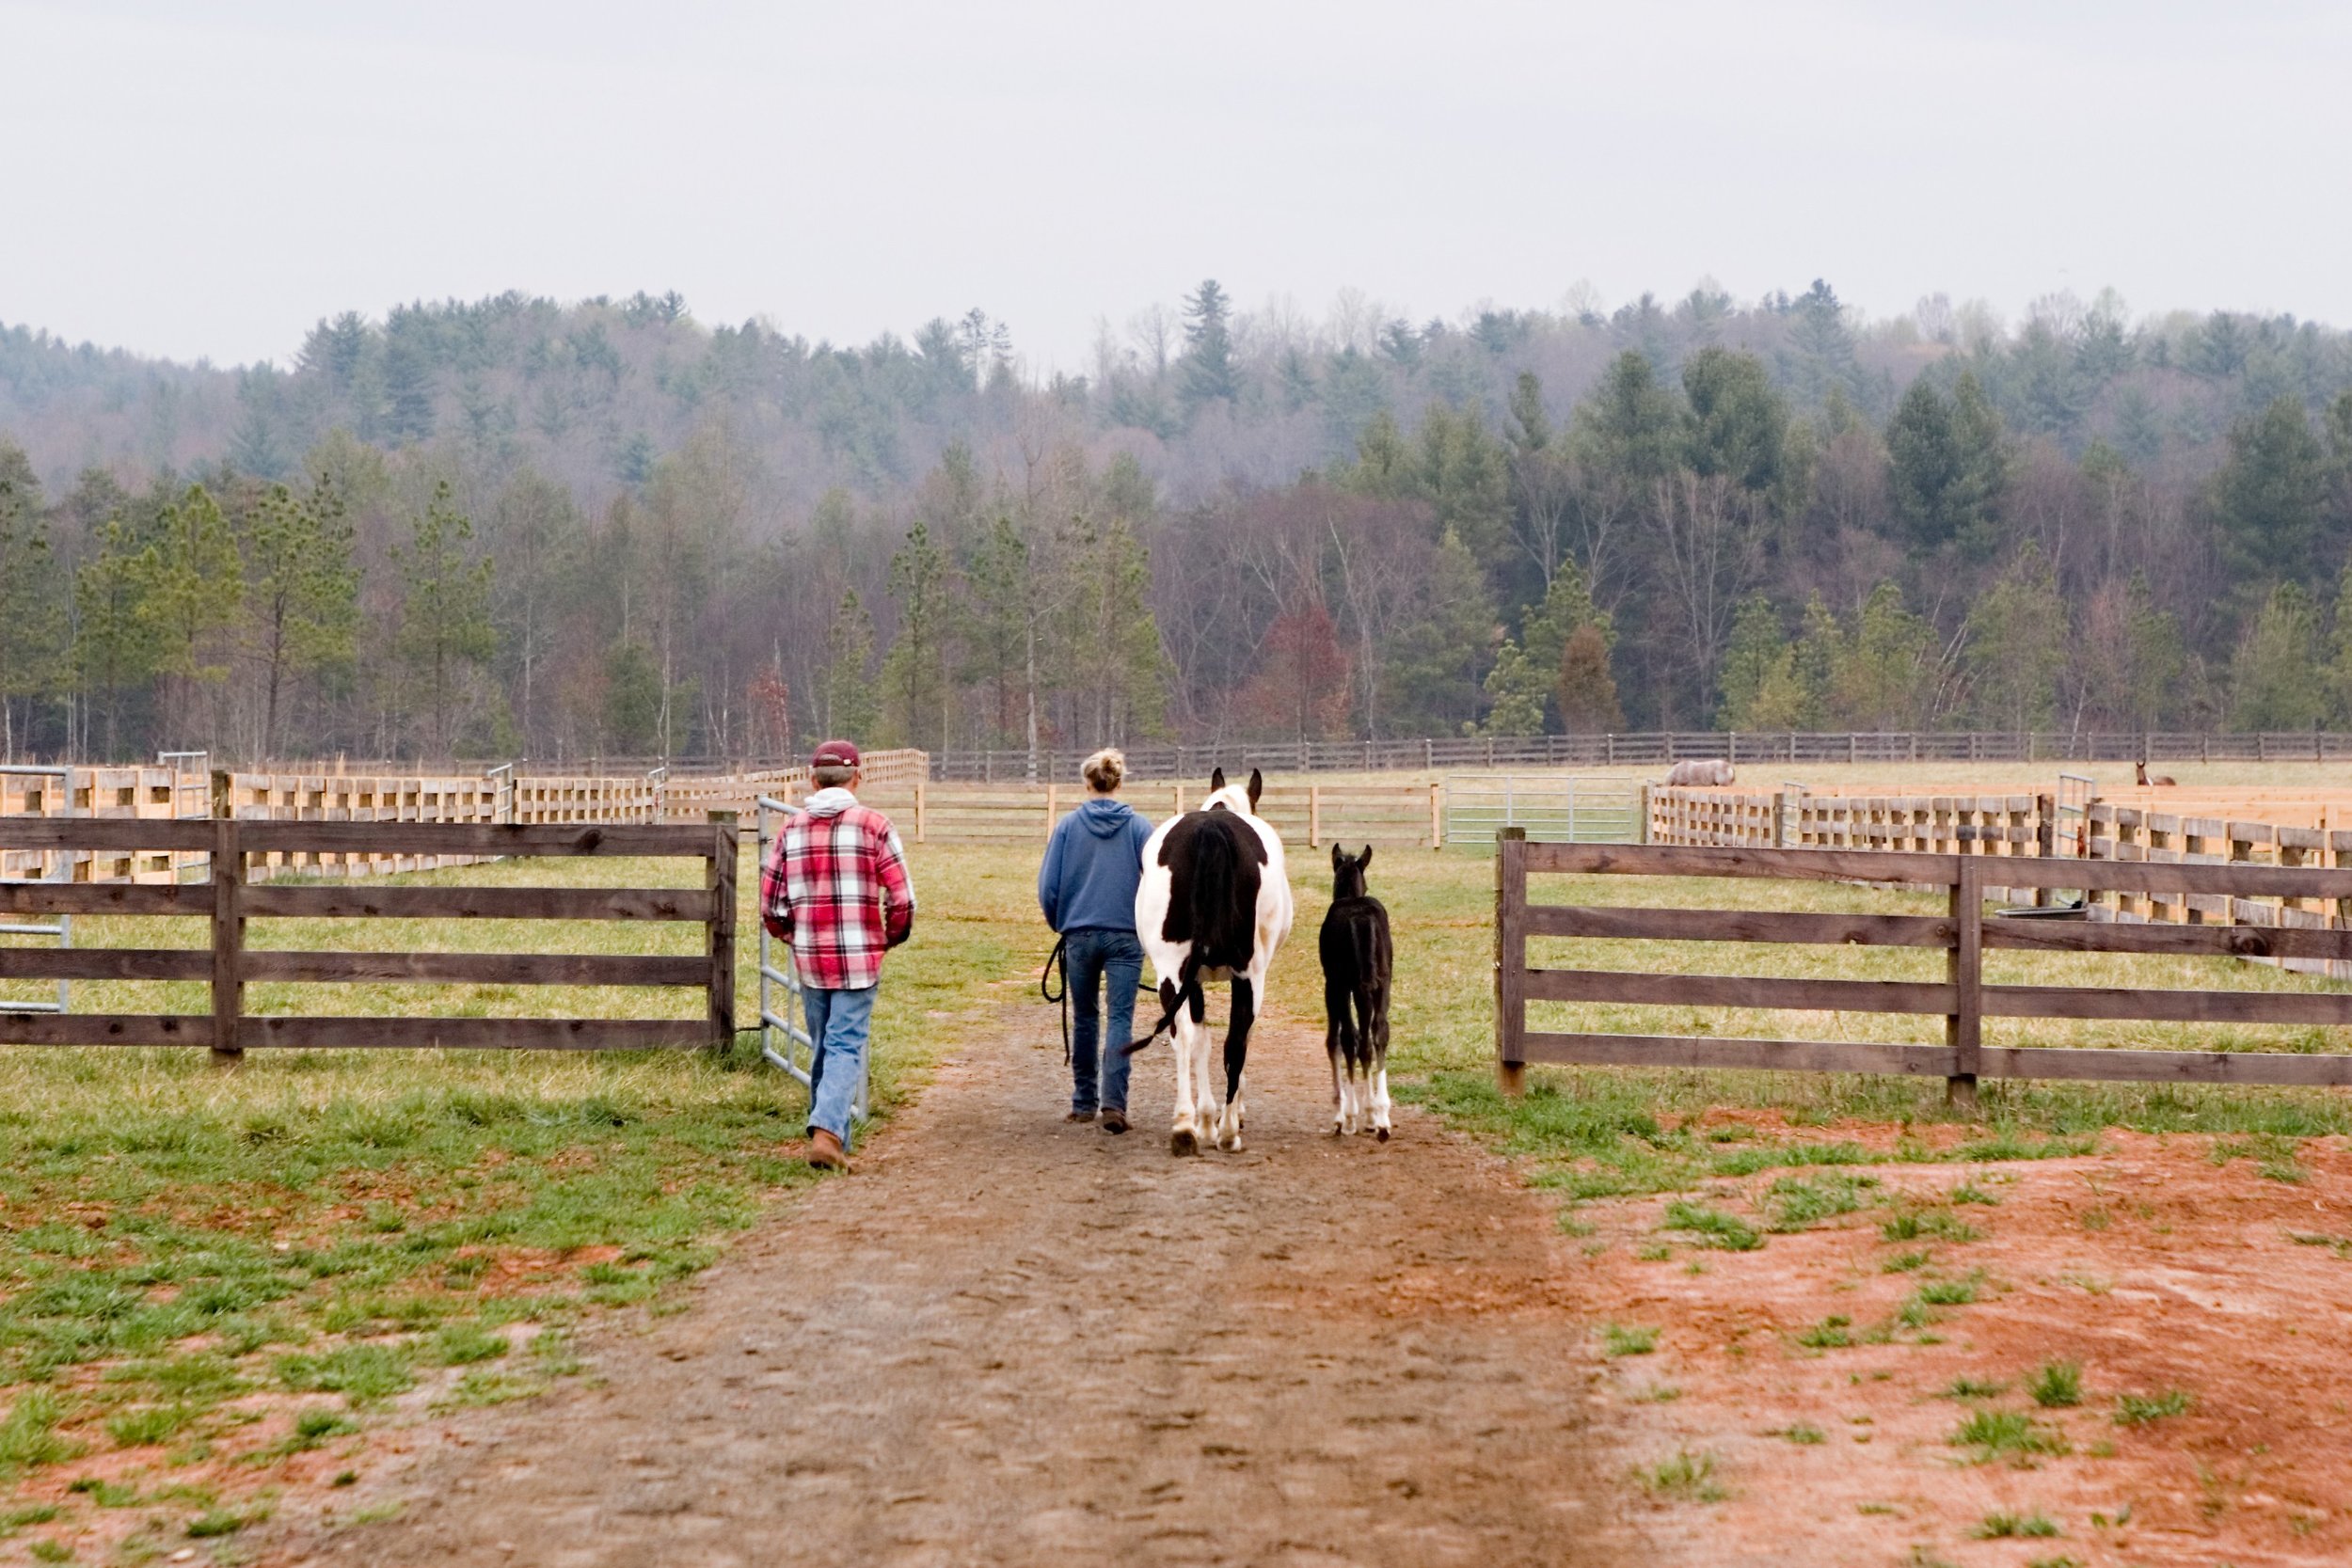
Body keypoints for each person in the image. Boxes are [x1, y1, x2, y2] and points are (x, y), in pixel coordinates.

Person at [759, 740, 915, 1173]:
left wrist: (791, 936)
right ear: (857, 777)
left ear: (812, 779)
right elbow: (902, 898)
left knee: (824, 1043)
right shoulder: (875, 826)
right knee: (845, 1043)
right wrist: (889, 938)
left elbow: (771, 903)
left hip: (811, 954)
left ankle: (829, 1136)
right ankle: (827, 1132)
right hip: (860, 955)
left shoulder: (793, 830)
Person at [1037, 748, 1153, 1132]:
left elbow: (1048, 887)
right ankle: (1114, 1105)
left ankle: (1083, 1102)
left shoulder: (1068, 827)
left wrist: (1062, 923)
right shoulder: (1140, 828)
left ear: (1087, 783)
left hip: (1080, 934)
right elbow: (1157, 885)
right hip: (1126, 935)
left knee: (1085, 1016)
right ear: (1119, 782)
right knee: (1121, 1017)